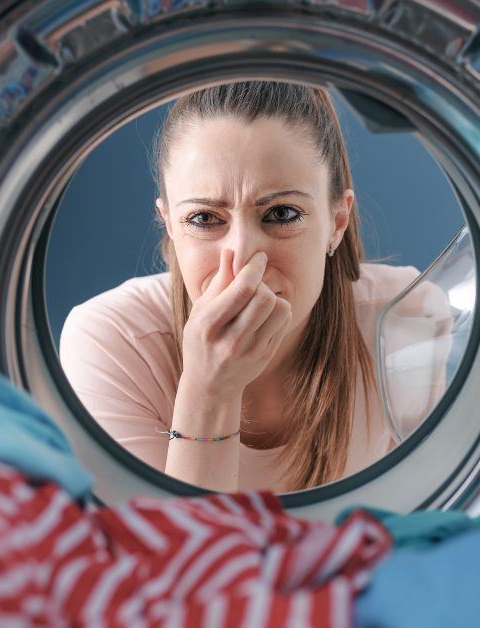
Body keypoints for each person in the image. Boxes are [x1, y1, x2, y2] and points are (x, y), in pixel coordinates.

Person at [59, 80, 452, 493]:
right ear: (171, 224)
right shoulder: (111, 342)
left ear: (336, 223)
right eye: (205, 219)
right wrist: (209, 391)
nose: (244, 256)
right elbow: (174, 554)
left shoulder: (406, 316)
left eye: (281, 213)